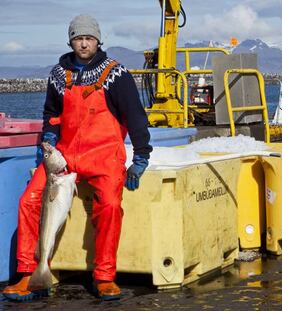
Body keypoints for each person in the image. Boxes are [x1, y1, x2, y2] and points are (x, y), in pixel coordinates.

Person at [2, 15, 152, 301]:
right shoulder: (59, 74)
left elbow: (136, 118)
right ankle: (30, 274)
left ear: (98, 41)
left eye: (89, 38)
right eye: (78, 38)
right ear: (70, 40)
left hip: (105, 155)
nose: (84, 43)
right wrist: (48, 138)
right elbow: (51, 114)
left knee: (109, 205)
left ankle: (105, 276)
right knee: (28, 201)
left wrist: (142, 156)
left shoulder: (116, 74)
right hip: (65, 156)